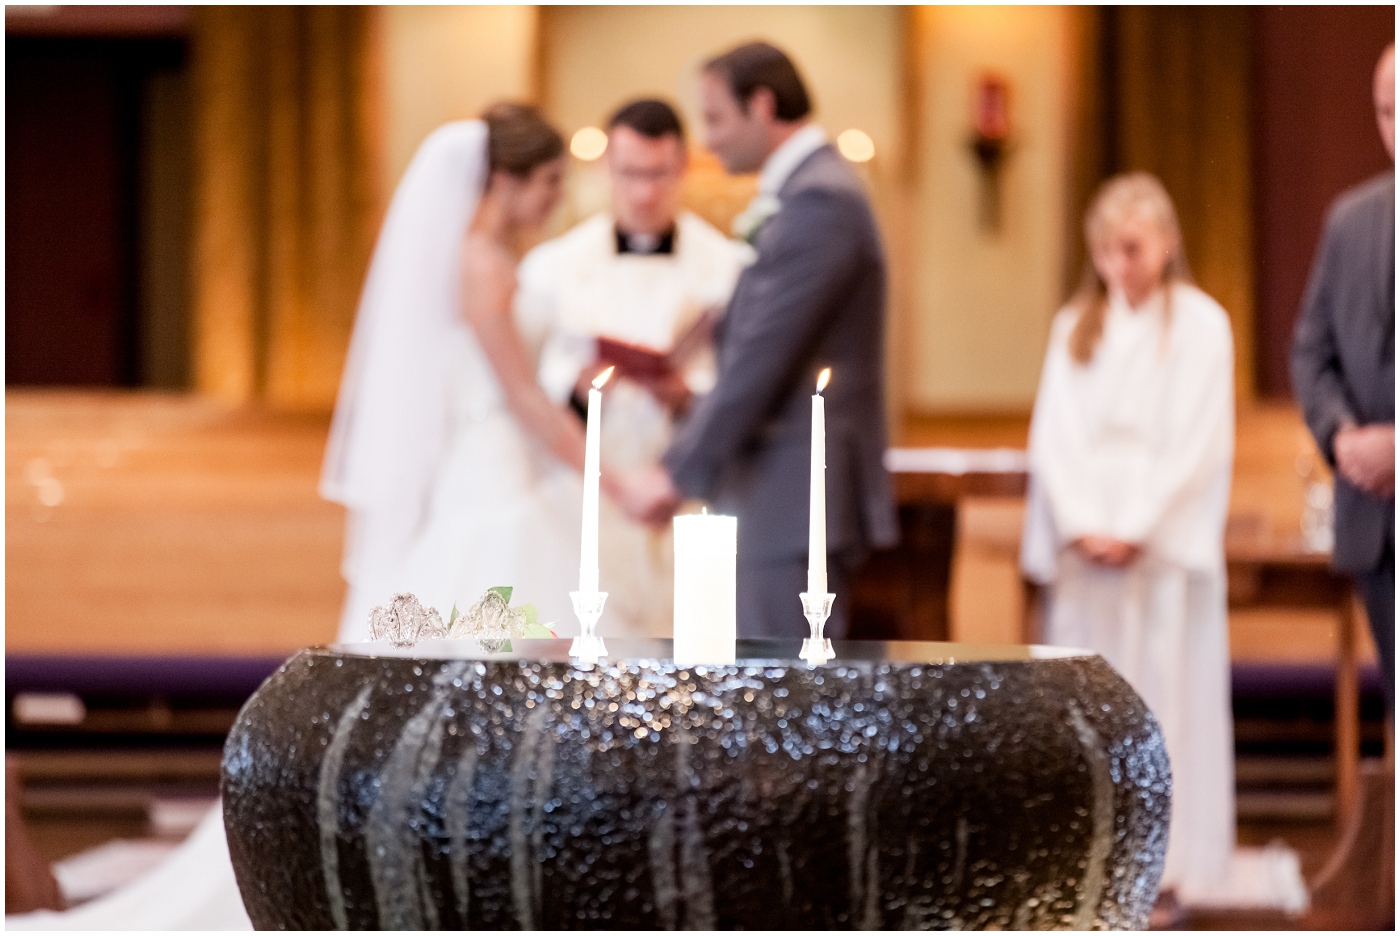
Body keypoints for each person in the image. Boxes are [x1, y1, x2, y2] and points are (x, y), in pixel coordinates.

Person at [621, 42, 898, 639]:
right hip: (777, 491)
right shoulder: (803, 193)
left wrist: (676, 471)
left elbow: (764, 358)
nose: (708, 140)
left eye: (717, 118)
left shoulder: (820, 199)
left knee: (785, 700)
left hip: (793, 495)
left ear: (764, 105)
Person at [1019, 172, 1237, 905]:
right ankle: (1086, 865)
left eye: (1134, 250)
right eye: (1107, 252)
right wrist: (1083, 521)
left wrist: (1138, 526)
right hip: (1092, 549)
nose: (1119, 267)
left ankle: (1165, 870)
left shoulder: (1202, 324)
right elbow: (1055, 434)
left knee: (1162, 699)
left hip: (1159, 546)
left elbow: (1199, 441)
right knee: (1086, 707)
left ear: (1168, 244)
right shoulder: (1076, 324)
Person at [324, 103, 616, 639]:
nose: (557, 196)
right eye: (550, 180)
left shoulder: (480, 259)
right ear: (504, 180)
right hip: (494, 471)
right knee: (505, 626)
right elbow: (521, 396)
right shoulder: (481, 265)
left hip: (503, 459)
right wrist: (613, 479)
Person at [520, 98, 751, 636]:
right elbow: (525, 382)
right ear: (606, 170)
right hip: (586, 492)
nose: (644, 192)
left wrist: (688, 391)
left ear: (684, 169)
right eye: (629, 174)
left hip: (691, 489)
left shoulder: (729, 267)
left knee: (691, 648)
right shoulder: (553, 267)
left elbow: (745, 378)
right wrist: (574, 383)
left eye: (658, 174)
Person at [1291, 44, 1395, 706]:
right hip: (1376, 522)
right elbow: (1311, 349)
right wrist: (1341, 437)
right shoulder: (1350, 221)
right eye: (1388, 112)